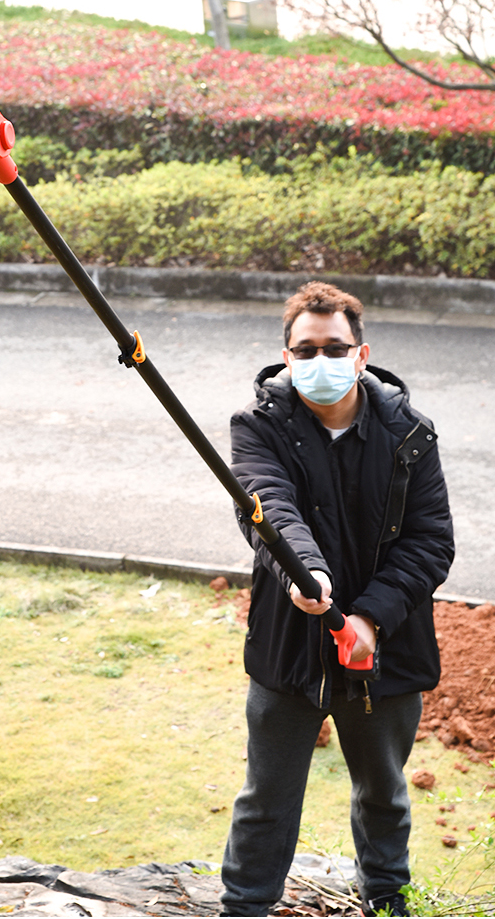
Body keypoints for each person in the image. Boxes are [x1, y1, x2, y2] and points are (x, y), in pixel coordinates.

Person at [220, 281, 454, 918]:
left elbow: (432, 542)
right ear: (287, 355)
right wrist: (307, 576)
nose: (319, 361)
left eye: (335, 347)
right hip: (289, 644)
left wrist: (372, 618)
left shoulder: (409, 432)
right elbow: (269, 510)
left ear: (362, 353)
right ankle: (244, 907)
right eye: (305, 349)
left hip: (388, 649)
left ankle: (387, 901)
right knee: (266, 797)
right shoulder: (258, 426)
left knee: (383, 790)